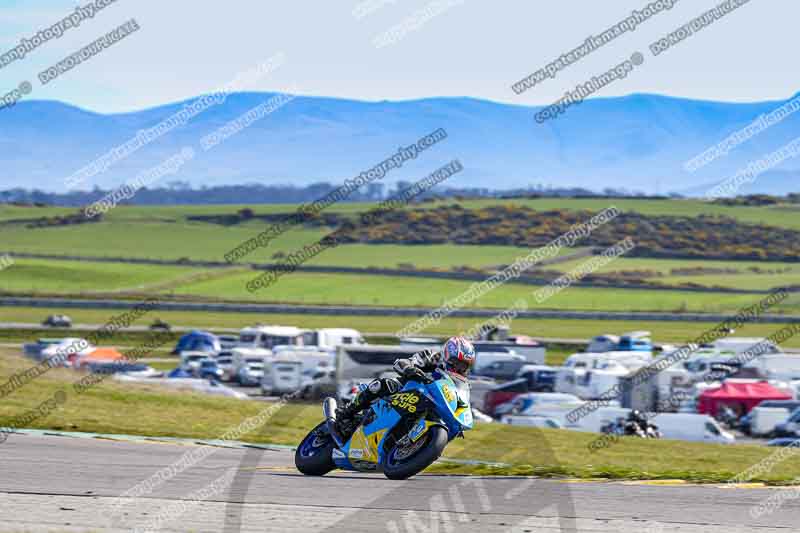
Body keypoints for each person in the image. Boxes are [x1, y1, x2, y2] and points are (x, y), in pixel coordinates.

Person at [335, 336, 477, 429]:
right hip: (408, 390)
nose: (459, 368)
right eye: (456, 363)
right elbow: (402, 362)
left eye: (463, 366)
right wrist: (410, 369)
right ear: (447, 355)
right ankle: (347, 412)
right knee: (382, 385)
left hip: (434, 402)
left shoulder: (461, 382)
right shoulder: (432, 356)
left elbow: (461, 401)